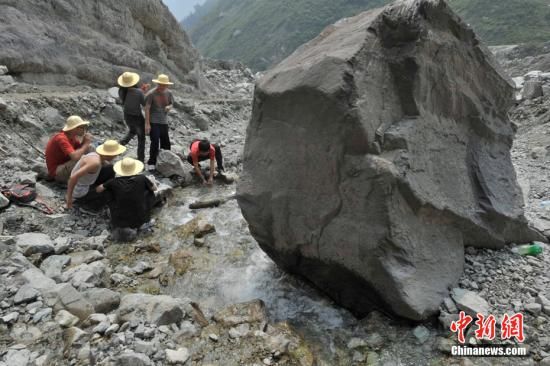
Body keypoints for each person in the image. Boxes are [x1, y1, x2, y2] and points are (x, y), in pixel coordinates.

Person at [96, 157, 158, 236]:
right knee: (149, 191)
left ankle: (113, 213)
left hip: (119, 221)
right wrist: (151, 181)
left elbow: (98, 190)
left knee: (107, 190)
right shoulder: (142, 178)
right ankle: (145, 220)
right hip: (141, 219)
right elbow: (155, 188)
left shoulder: (114, 181)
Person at [66, 140, 126, 211]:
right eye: (116, 154)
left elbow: (104, 164)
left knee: (110, 168)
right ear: (110, 155)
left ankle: (96, 195)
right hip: (80, 191)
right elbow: (73, 177)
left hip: (84, 182)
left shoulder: (96, 155)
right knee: (108, 194)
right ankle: (88, 207)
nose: (116, 156)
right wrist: (69, 198)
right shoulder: (95, 163)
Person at [45, 115, 93, 183]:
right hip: (57, 173)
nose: (84, 130)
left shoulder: (71, 138)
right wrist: (86, 143)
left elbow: (81, 149)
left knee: (89, 148)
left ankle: (96, 171)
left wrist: (85, 143)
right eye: (82, 127)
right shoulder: (61, 138)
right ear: (75, 128)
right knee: (84, 155)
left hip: (63, 166)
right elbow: (75, 157)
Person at [145, 74, 174, 170]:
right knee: (155, 142)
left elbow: (171, 103)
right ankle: (152, 162)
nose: (162, 87)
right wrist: (147, 124)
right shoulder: (151, 93)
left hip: (164, 121)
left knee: (166, 142)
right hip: (154, 121)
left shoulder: (169, 93)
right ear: (157, 83)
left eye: (164, 85)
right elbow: (147, 108)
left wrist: (169, 107)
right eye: (161, 84)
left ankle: (166, 161)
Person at [117, 72, 146, 162]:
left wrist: (141, 91)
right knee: (141, 138)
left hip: (127, 116)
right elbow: (144, 103)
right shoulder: (138, 92)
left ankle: (119, 146)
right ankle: (140, 159)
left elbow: (130, 97)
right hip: (137, 117)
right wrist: (144, 93)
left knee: (132, 131)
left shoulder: (121, 91)